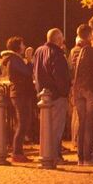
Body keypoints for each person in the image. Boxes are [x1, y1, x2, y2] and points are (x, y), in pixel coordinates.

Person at [33, 28, 71, 162]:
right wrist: (64, 92)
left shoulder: (38, 51)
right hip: (56, 95)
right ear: (58, 40)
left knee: (46, 126)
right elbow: (60, 76)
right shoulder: (57, 54)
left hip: (43, 95)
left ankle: (46, 152)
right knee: (56, 127)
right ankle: (54, 155)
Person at [70, 24, 93, 165]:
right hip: (90, 89)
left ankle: (81, 157)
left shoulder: (75, 51)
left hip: (78, 89)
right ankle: (88, 156)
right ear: (89, 35)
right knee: (90, 123)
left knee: (82, 122)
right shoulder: (92, 51)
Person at [2, 36, 35, 162]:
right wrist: (29, 60)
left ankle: (18, 151)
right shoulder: (15, 59)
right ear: (17, 47)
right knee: (22, 123)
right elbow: (27, 72)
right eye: (22, 44)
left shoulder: (15, 59)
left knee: (23, 123)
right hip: (20, 94)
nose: (24, 46)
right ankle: (17, 152)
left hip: (20, 93)